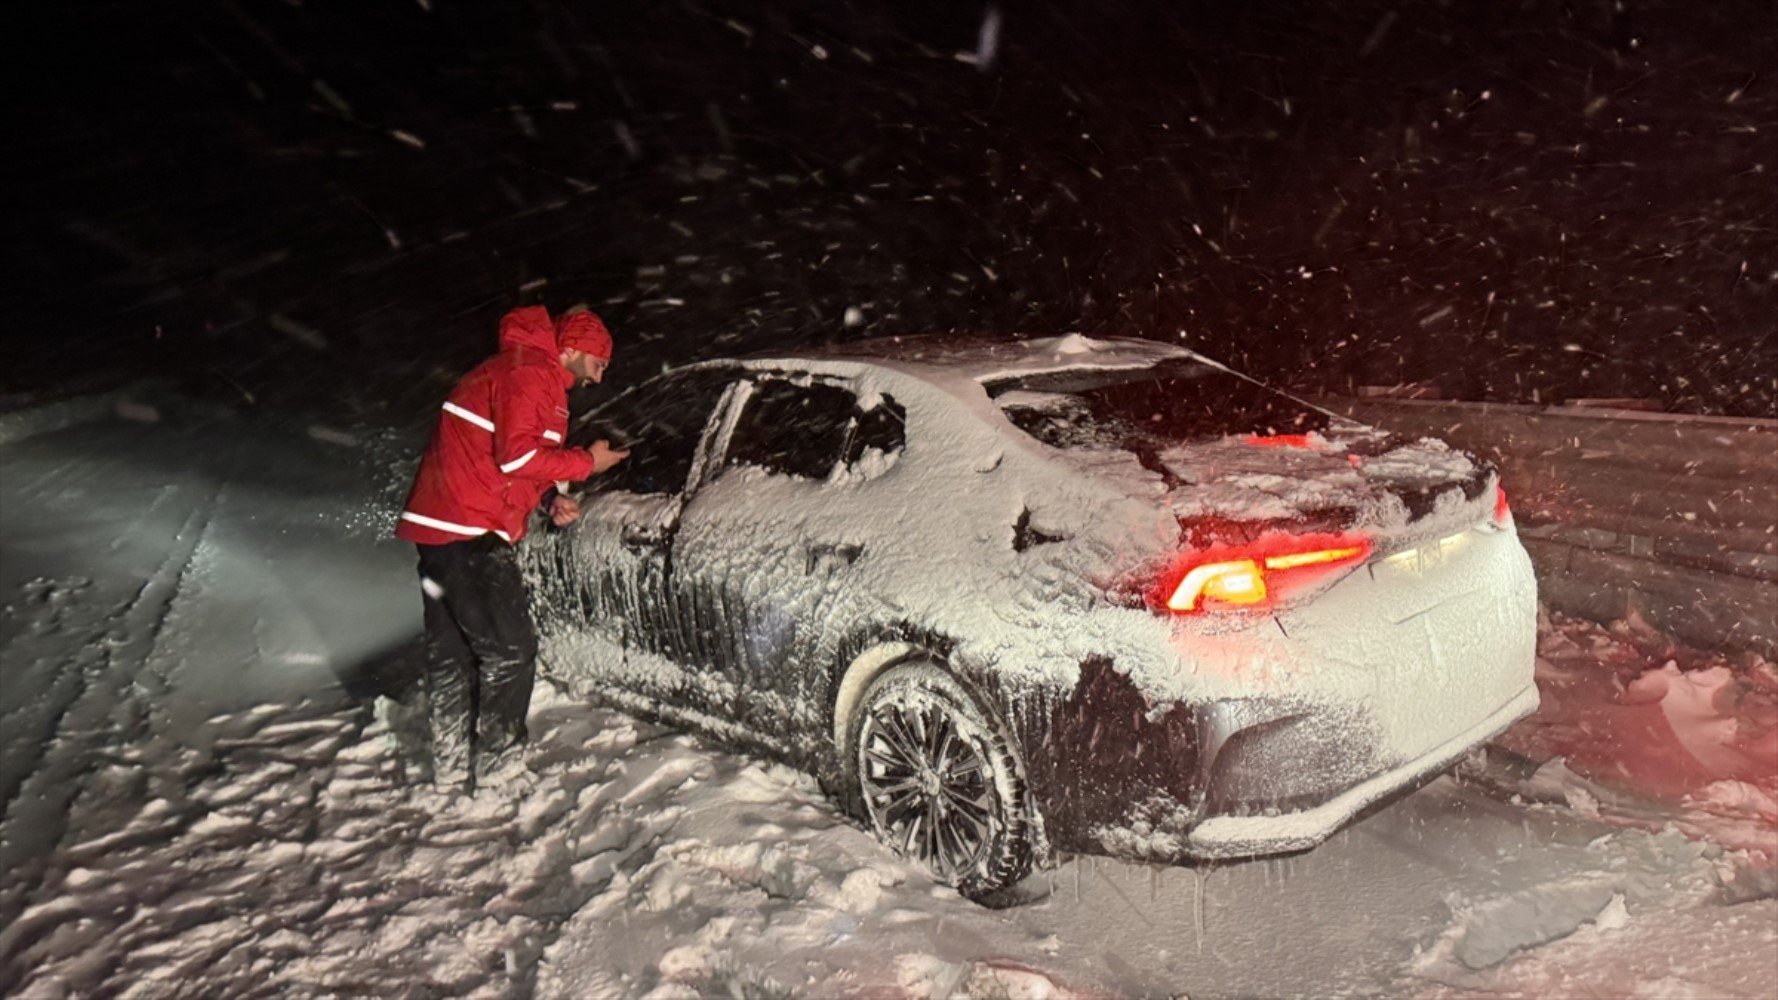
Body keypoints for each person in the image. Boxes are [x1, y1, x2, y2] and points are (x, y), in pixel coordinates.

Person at [395, 304, 628, 790]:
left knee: (453, 653)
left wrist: (547, 500)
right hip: (469, 530)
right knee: (510, 651)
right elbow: (518, 455)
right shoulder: (532, 374)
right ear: (573, 348)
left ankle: (451, 767)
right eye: (599, 362)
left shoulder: (516, 369)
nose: (600, 376)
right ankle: (501, 773)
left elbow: (508, 459)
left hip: (443, 527)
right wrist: (588, 462)